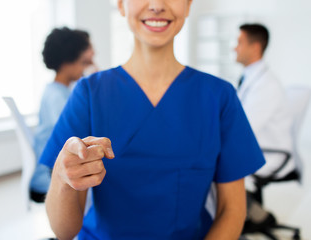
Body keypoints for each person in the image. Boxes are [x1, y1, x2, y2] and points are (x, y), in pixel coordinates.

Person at [40, 1, 265, 239]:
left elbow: (232, 209)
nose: (157, 5)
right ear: (120, 5)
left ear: (188, 5)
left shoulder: (219, 97)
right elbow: (63, 231)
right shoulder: (89, 94)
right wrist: (62, 179)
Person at [234, 23, 294, 232]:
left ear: (255, 47)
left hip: (271, 153)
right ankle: (250, 214)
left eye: (240, 42)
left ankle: (252, 217)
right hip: (258, 145)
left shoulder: (266, 85)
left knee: (218, 167)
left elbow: (243, 128)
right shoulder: (252, 78)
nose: (235, 47)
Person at [30, 27, 95, 202]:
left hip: (48, 171)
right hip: (48, 177)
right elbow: (75, 137)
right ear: (68, 63)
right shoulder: (58, 97)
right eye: (83, 63)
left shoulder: (56, 91)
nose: (84, 69)